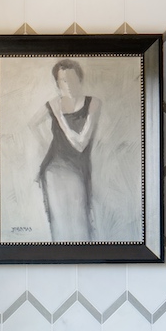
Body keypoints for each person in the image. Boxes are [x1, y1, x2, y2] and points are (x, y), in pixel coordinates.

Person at [30, 60, 102, 241]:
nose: (68, 84)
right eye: (62, 80)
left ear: (79, 79)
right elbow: (32, 124)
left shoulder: (93, 103)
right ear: (57, 84)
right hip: (55, 167)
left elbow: (80, 143)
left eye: (71, 78)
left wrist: (59, 116)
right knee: (60, 220)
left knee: (81, 219)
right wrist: (46, 143)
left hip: (79, 166)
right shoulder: (53, 105)